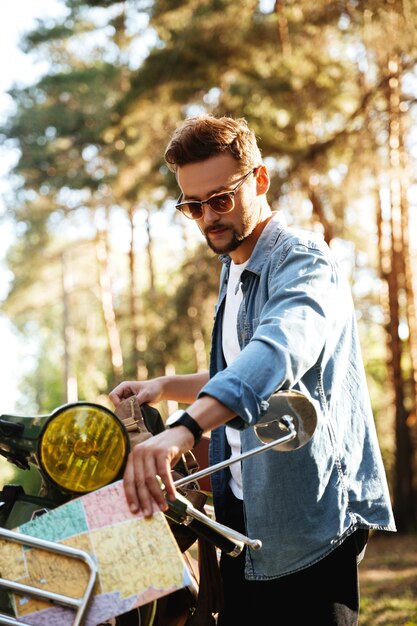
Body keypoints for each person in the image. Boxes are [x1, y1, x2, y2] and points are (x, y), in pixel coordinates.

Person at [109, 114, 396, 625]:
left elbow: (278, 352)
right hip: (242, 517)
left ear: (259, 181)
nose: (207, 218)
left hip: (308, 518)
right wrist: (165, 387)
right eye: (192, 206)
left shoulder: (304, 261)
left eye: (220, 199)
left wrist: (184, 429)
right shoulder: (234, 270)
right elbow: (238, 370)